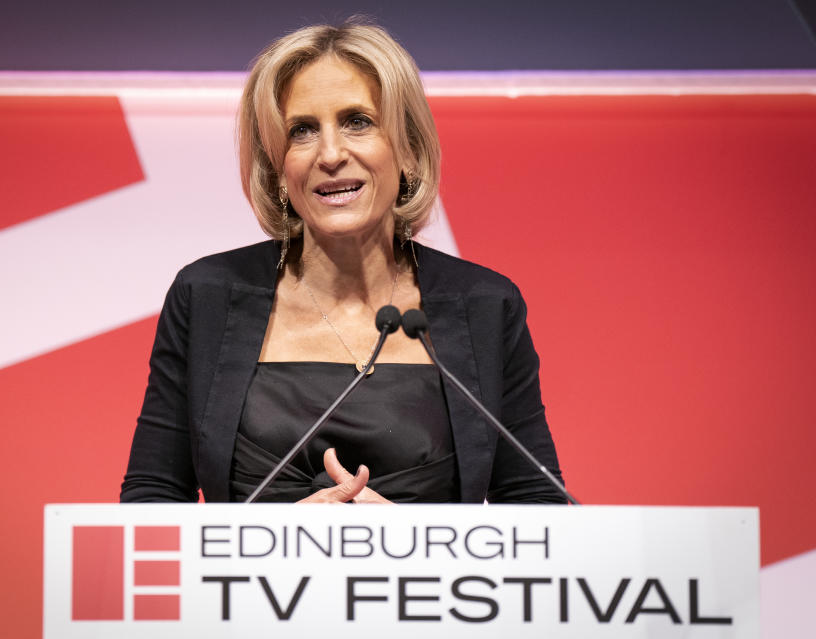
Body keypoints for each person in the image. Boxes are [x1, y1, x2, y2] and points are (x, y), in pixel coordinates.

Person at [120, 20, 565, 504]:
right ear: (277, 167)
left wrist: (411, 541)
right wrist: (277, 538)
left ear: (410, 151)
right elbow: (152, 497)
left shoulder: (483, 304)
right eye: (302, 131)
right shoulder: (207, 295)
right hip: (252, 581)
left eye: (358, 121)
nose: (330, 154)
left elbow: (534, 504)